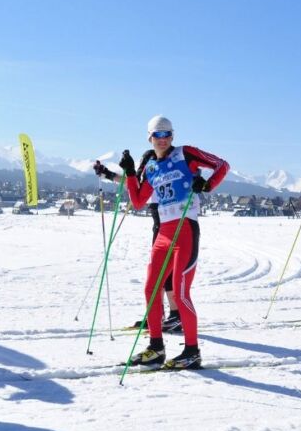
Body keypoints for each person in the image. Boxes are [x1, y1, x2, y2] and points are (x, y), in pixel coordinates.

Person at [121, 115, 229, 369]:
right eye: (157, 135)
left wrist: (207, 184)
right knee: (151, 288)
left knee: (181, 293)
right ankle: (156, 348)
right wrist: (128, 173)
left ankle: (192, 351)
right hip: (164, 233)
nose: (162, 139)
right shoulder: (151, 167)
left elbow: (222, 165)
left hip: (185, 229)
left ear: (172, 136)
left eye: (167, 134)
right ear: (149, 137)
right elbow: (138, 201)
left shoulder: (186, 154)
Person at [93, 150, 182, 333]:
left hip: (171, 221)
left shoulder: (163, 165)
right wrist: (108, 174)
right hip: (159, 222)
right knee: (157, 272)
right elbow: (135, 185)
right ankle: (157, 315)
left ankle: (176, 316)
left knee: (165, 272)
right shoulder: (150, 163)